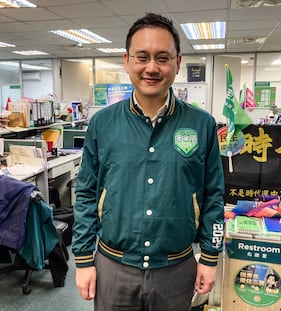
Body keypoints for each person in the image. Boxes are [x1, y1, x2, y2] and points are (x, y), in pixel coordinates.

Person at [72, 12, 225, 310]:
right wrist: (82, 259)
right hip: (113, 267)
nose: (151, 68)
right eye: (142, 57)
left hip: (176, 269)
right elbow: (86, 193)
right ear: (127, 60)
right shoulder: (102, 124)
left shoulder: (202, 125)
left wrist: (209, 256)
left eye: (162, 58)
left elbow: (214, 195)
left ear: (177, 63)